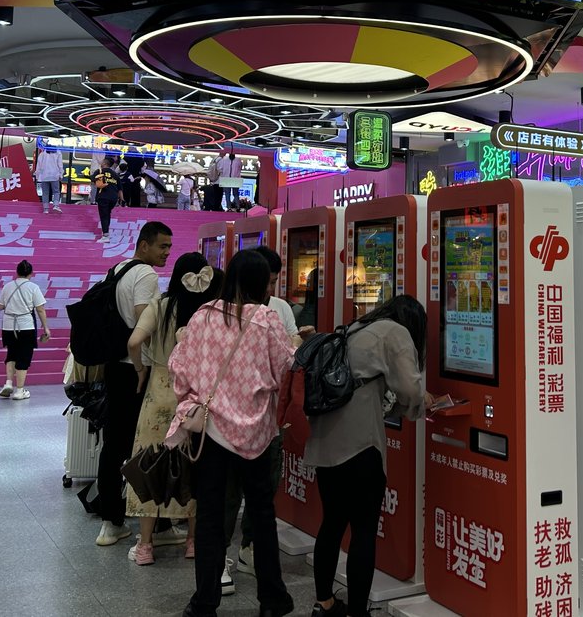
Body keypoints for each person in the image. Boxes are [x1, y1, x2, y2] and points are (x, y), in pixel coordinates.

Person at [168, 249, 295, 617]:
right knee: (261, 513)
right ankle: (272, 600)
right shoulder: (266, 319)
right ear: (260, 284)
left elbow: (180, 366)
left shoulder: (203, 316)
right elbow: (284, 369)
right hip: (255, 434)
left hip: (210, 432)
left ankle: (203, 601)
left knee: (210, 516)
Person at [306, 295, 428, 617]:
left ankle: (325, 604)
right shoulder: (396, 334)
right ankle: (358, 612)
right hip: (361, 447)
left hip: (325, 444)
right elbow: (411, 391)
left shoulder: (357, 327)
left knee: (331, 524)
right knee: (363, 531)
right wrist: (417, 405)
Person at [125, 253, 223, 566]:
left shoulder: (159, 306)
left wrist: (141, 370)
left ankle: (145, 546)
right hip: (196, 399)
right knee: (195, 469)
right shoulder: (210, 312)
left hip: (158, 393)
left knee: (149, 466)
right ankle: (193, 542)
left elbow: (133, 342)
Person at [94, 221, 173, 548]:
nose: (166, 252)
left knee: (114, 442)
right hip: (133, 369)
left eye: (169, 247)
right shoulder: (146, 275)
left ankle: (111, 518)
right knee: (142, 442)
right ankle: (143, 522)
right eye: (162, 246)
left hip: (114, 366)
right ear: (144, 246)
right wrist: (143, 367)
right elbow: (144, 322)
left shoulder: (118, 269)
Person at [225, 245, 299, 580]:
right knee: (227, 493)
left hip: (268, 419)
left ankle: (249, 548)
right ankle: (219, 561)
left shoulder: (279, 310)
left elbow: (290, 354)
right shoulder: (217, 314)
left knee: (264, 488)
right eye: (266, 283)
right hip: (225, 423)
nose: (270, 290)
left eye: (274, 283)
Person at [0, 260, 50, 401]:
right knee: (24, 356)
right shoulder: (33, 287)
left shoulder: (7, 286)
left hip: (8, 326)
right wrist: (46, 328)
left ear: (17, 272)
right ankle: (20, 391)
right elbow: (40, 309)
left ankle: (8, 383)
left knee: (11, 354)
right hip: (26, 326)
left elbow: (0, 306)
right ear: (31, 273)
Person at [92, 156, 120, 243]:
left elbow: (93, 180)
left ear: (104, 163)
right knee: (107, 214)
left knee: (104, 215)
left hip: (103, 196)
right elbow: (120, 188)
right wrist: (121, 200)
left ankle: (105, 236)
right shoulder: (115, 174)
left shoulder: (99, 171)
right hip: (113, 198)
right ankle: (106, 233)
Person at [34, 145, 64, 214]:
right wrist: (61, 174)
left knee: (45, 193)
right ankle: (56, 205)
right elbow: (60, 165)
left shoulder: (42, 154)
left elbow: (38, 166)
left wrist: (37, 176)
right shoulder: (58, 153)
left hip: (44, 176)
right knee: (56, 192)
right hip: (54, 175)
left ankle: (46, 209)